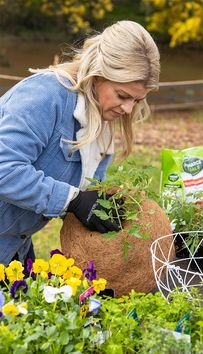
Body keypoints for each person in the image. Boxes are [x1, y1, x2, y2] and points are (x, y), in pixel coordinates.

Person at [0, 20, 160, 266]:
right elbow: (4, 170)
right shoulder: (44, 96)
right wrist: (72, 200)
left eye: (137, 100)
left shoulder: (100, 118)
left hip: (14, 245)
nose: (129, 109)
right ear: (97, 75)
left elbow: (87, 198)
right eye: (123, 95)